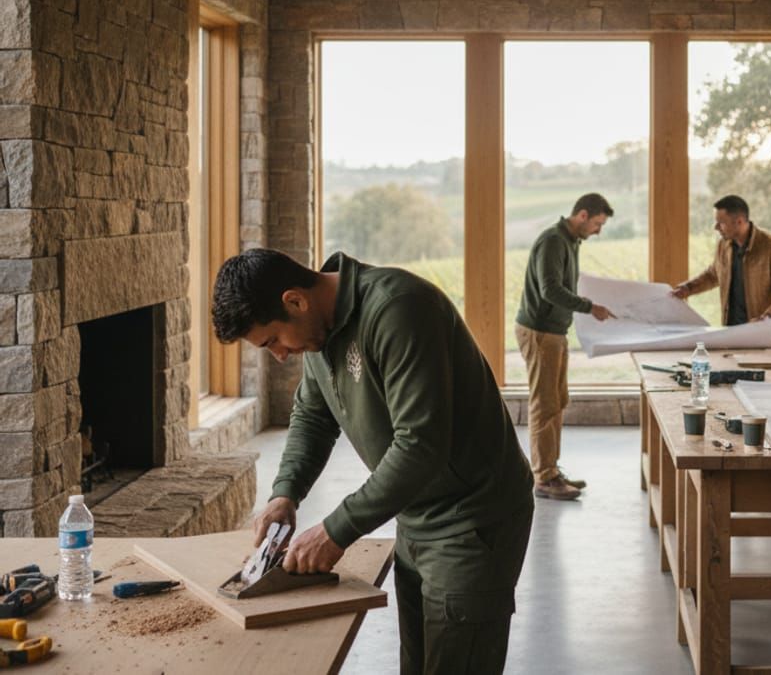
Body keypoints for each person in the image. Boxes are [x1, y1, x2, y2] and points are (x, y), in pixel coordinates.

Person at [211, 248, 534, 675]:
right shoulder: (319, 332)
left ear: (295, 300)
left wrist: (335, 531)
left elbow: (420, 445)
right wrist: (285, 493)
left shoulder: (399, 310)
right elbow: (313, 415)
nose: (280, 355)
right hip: (415, 514)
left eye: (272, 340)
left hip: (472, 520)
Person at [515, 193, 616, 501]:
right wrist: (589, 307)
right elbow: (550, 290)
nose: (599, 231)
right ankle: (544, 478)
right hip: (539, 331)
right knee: (544, 404)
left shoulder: (570, 241)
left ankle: (551, 471)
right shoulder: (554, 241)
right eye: (597, 224)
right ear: (582, 215)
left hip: (555, 331)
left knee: (557, 401)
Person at [671, 194, 771, 337]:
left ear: (739, 222)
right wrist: (687, 288)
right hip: (732, 332)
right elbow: (713, 274)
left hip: (766, 334)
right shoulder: (723, 245)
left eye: (721, 223)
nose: (716, 227)